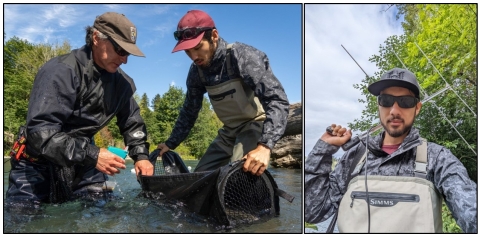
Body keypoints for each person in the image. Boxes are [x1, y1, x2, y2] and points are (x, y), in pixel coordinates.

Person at [304, 68, 477, 233]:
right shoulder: (354, 157)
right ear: (378, 105)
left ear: (417, 108)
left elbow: (471, 209)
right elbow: (313, 211)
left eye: (405, 102)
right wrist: (322, 150)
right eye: (386, 101)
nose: (394, 110)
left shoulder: (438, 158)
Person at [6, 12, 153, 205]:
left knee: (104, 211)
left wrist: (141, 156)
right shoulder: (60, 71)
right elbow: (40, 134)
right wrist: (93, 154)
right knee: (22, 221)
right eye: (120, 49)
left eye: (127, 53)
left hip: (83, 164)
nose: (124, 59)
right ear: (96, 37)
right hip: (36, 164)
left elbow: (132, 123)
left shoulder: (123, 85)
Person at [156, 10, 289, 176]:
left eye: (198, 47)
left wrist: (265, 146)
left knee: (237, 175)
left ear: (214, 35)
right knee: (198, 179)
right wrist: (171, 143)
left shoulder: (242, 56)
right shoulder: (196, 72)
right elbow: (189, 111)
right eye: (188, 51)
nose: (194, 56)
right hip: (228, 132)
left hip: (254, 125)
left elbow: (277, 100)